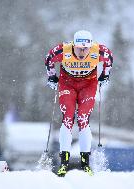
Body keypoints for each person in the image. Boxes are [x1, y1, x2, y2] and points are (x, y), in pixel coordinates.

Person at [45, 30, 113, 176]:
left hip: (88, 85)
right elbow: (49, 59)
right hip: (67, 84)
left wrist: (105, 76)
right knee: (68, 118)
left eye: (86, 48)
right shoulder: (63, 50)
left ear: (91, 46)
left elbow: (109, 60)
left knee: (83, 119)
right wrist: (51, 76)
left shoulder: (100, 51)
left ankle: (85, 163)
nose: (82, 52)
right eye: (79, 48)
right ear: (73, 45)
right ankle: (64, 163)